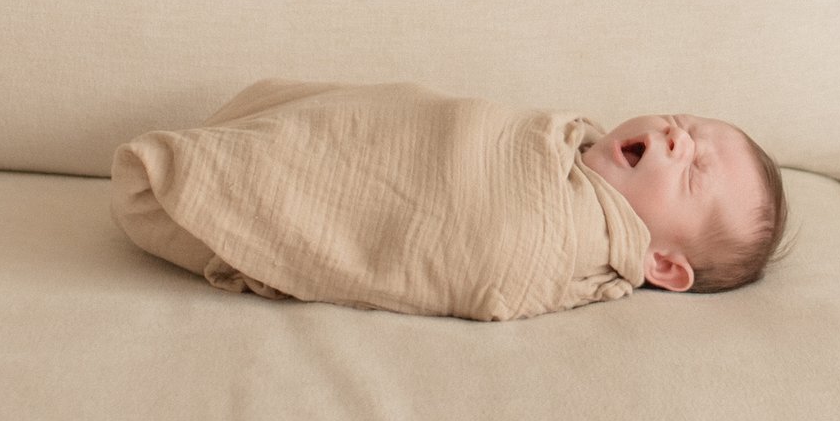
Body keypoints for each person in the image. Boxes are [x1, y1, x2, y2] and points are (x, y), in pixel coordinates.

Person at [112, 80, 788, 320]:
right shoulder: (558, 140)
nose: (676, 136)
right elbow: (424, 129)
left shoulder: (568, 239)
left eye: (695, 169)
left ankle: (218, 181)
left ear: (664, 264)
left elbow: (484, 249)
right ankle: (240, 149)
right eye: (685, 122)